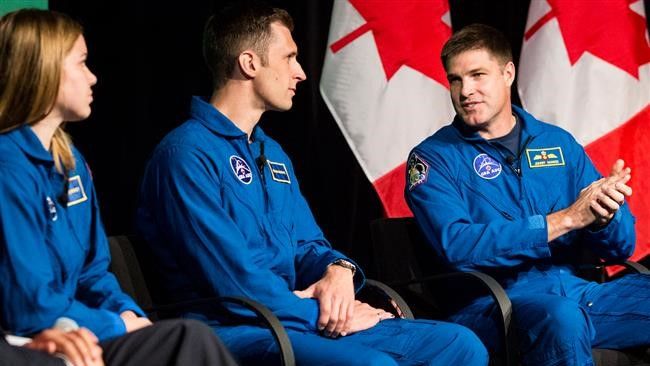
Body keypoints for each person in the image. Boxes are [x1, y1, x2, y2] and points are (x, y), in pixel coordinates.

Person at [136, 3, 488, 365]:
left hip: (297, 318)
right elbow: (233, 282)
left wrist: (338, 269)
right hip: (235, 327)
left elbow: (308, 244)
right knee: (373, 364)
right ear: (250, 63)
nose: (300, 73)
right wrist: (333, 314)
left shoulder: (270, 152)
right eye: (289, 57)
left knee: (460, 345)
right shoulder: (184, 155)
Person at [0, 9, 238, 366]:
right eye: (81, 63)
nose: (93, 77)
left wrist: (130, 315)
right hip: (27, 344)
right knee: (189, 339)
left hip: (80, 334)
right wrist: (114, 324)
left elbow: (94, 272)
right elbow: (27, 305)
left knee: (184, 339)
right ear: (42, 70)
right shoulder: (7, 165)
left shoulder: (72, 163)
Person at [405, 23, 650, 366]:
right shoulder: (433, 158)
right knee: (562, 318)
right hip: (494, 307)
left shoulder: (557, 143)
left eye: (477, 75)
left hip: (578, 295)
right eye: (455, 80)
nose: (465, 91)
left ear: (507, 73)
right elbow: (458, 246)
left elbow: (621, 248)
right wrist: (564, 220)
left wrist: (605, 218)